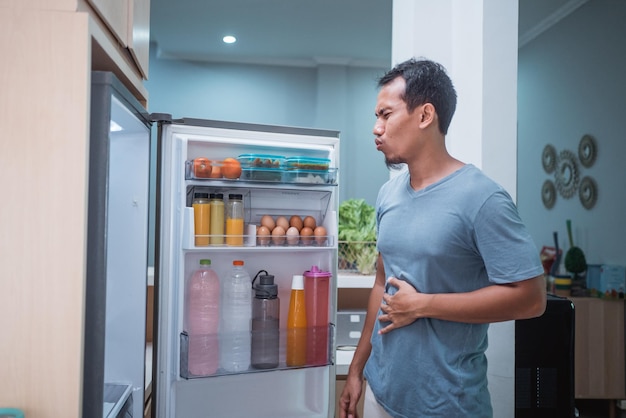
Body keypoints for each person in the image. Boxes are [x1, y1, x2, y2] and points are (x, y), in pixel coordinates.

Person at [338, 58, 547, 418]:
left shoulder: (482, 199)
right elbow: (380, 285)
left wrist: (423, 304)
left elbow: (531, 299)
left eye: (386, 115)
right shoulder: (388, 195)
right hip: (381, 394)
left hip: (447, 405)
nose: (376, 128)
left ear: (425, 116)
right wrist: (357, 371)